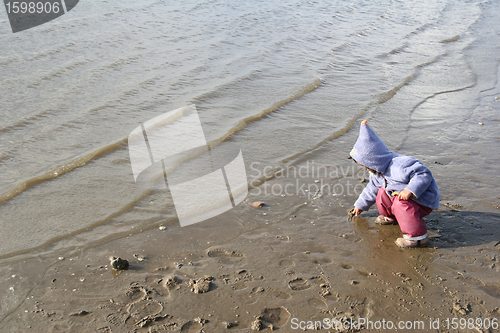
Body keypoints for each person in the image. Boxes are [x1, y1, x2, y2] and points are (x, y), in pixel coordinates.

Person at [349, 120, 440, 248]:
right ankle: (391, 217)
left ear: (375, 160)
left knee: (400, 202)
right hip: (401, 199)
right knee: (381, 193)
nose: (368, 169)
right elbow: (371, 189)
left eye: (368, 166)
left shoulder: (400, 165)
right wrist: (360, 206)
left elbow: (424, 174)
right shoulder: (377, 172)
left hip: (422, 200)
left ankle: (417, 238)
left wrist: (410, 190)